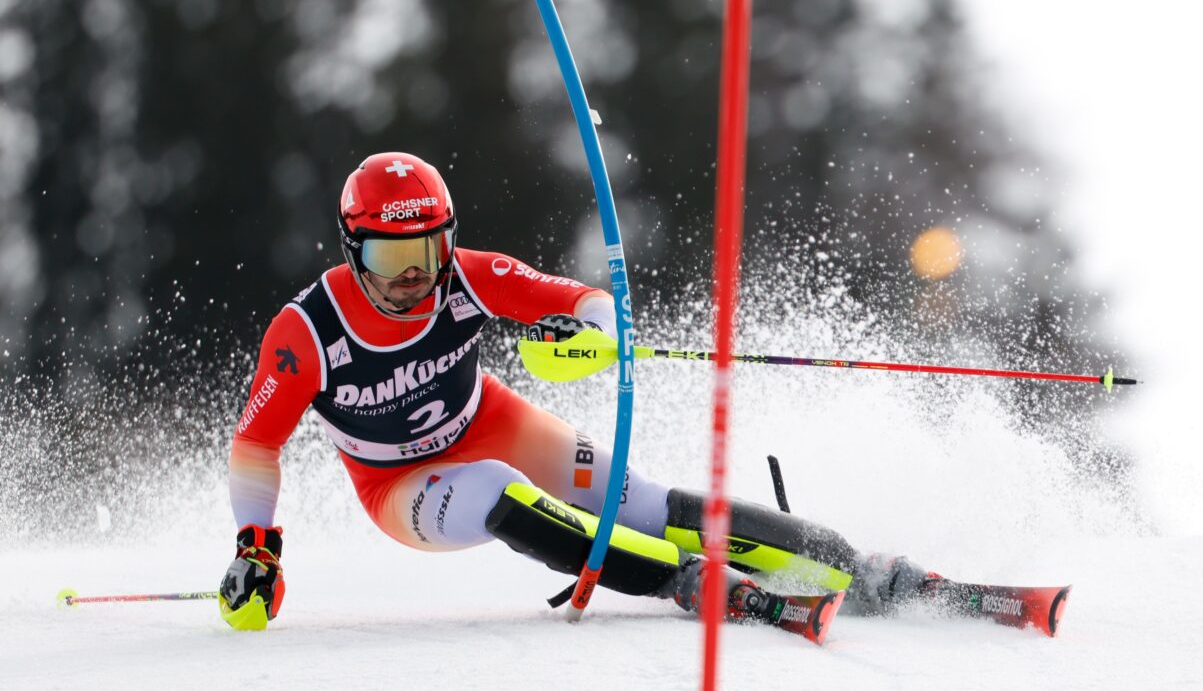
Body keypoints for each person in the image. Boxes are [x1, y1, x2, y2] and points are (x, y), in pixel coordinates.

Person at [217, 151, 938, 636]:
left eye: (429, 252)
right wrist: (257, 545)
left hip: (488, 419)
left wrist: (604, 325)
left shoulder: (465, 275)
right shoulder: (307, 331)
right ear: (352, 248)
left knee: (643, 501)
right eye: (392, 257)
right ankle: (687, 584)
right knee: (499, 489)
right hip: (400, 485)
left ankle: (851, 563)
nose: (416, 277)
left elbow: (575, 297)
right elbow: (255, 443)